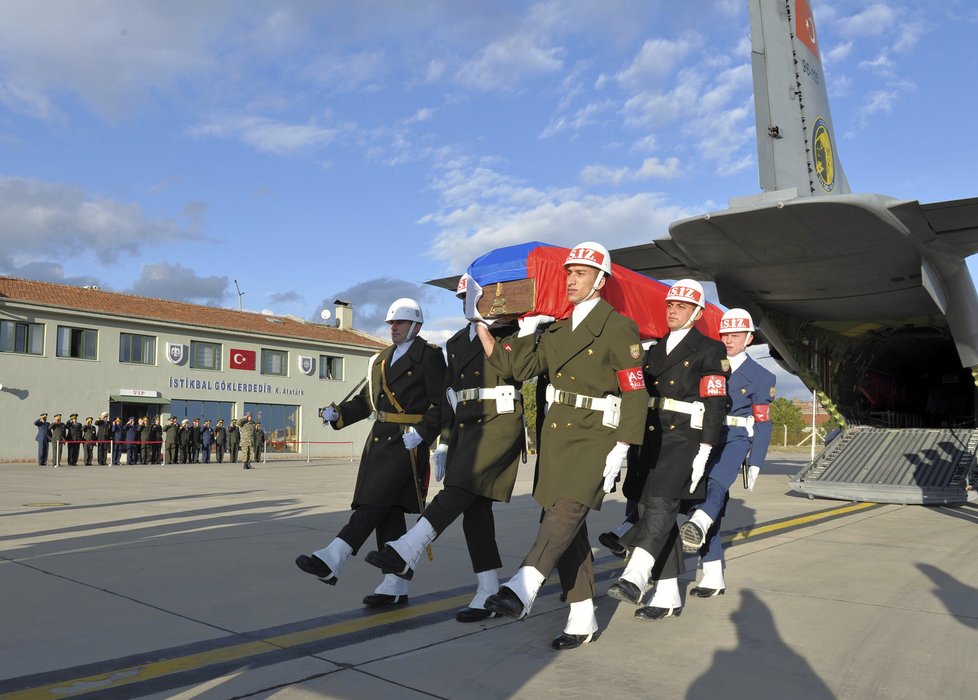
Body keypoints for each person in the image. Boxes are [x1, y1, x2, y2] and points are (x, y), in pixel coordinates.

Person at [473, 242, 649, 650]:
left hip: (596, 435)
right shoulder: (557, 329)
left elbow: (634, 392)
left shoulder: (618, 326)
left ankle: (524, 584)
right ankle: (583, 616)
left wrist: (624, 445)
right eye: (569, 273)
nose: (571, 279)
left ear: (601, 281)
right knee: (569, 529)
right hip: (558, 436)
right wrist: (518, 330)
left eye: (581, 273)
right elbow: (520, 370)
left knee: (566, 512)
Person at [365, 274, 525, 623]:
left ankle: (408, 547)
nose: (467, 303)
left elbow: (514, 370)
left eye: (473, 297)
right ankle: (487, 590)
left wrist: (496, 327)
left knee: (458, 489)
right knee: (475, 512)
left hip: (499, 421)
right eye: (462, 298)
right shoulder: (454, 341)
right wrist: (444, 443)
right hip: (467, 427)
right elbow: (449, 397)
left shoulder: (511, 331)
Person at [295, 297, 445, 609]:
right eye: (391, 323)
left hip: (407, 443)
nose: (394, 328)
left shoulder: (429, 357)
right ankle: (395, 584)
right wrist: (340, 415)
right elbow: (367, 401)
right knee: (386, 512)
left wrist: (423, 433)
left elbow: (440, 403)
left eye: (400, 323)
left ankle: (333, 556)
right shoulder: (380, 359)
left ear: (416, 325)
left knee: (373, 503)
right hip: (380, 441)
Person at [607, 279, 728, 621]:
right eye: (670, 305)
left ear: (697, 313)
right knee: (649, 509)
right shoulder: (653, 350)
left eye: (682, 306)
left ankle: (636, 576)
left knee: (661, 504)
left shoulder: (709, 349)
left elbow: (715, 402)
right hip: (651, 434)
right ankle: (668, 593)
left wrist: (706, 447)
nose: (673, 311)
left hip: (684, 438)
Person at [674, 308, 775, 597]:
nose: (729, 340)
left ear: (749, 338)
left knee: (716, 485)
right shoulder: (707, 364)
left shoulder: (760, 376)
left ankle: (699, 523)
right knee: (706, 502)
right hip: (703, 436)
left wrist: (755, 461)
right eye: (725, 334)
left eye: (736, 335)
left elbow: (763, 422)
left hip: (736, 438)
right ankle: (714, 575)